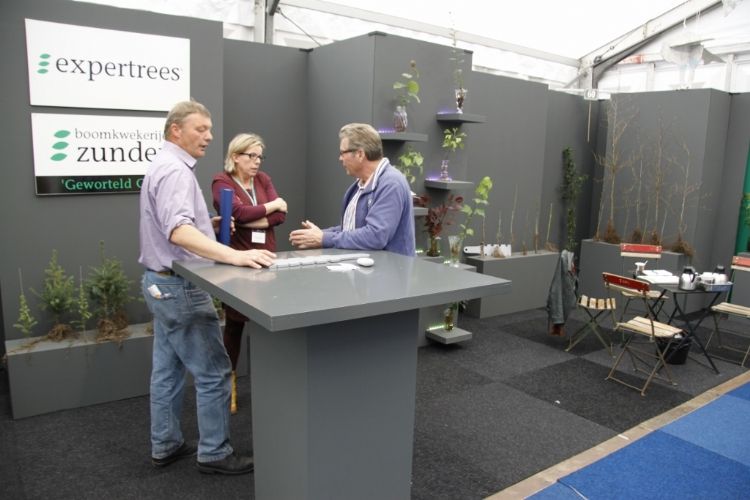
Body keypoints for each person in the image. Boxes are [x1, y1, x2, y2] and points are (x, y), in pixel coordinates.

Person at [139, 100, 275, 475]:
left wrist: (208, 225)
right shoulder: (176, 172)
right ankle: (214, 452)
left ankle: (165, 444)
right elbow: (178, 232)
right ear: (175, 130)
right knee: (215, 372)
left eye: (210, 129)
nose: (209, 136)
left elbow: (178, 227)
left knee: (166, 372)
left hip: (159, 284)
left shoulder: (163, 165)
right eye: (200, 129)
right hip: (180, 288)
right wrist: (234, 256)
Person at [211, 133, 286, 414]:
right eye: (251, 156)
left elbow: (280, 216)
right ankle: (229, 383)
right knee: (235, 324)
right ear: (235, 156)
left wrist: (251, 217)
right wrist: (271, 207)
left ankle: (269, 384)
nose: (257, 162)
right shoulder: (222, 181)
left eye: (259, 157)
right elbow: (237, 212)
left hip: (267, 258)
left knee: (267, 324)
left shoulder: (263, 179)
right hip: (238, 262)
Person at [289, 123, 416, 256]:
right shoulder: (358, 186)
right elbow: (352, 229)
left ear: (360, 154)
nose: (340, 158)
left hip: (391, 269)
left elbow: (376, 236)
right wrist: (320, 234)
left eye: (342, 153)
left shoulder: (391, 183)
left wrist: (324, 238)